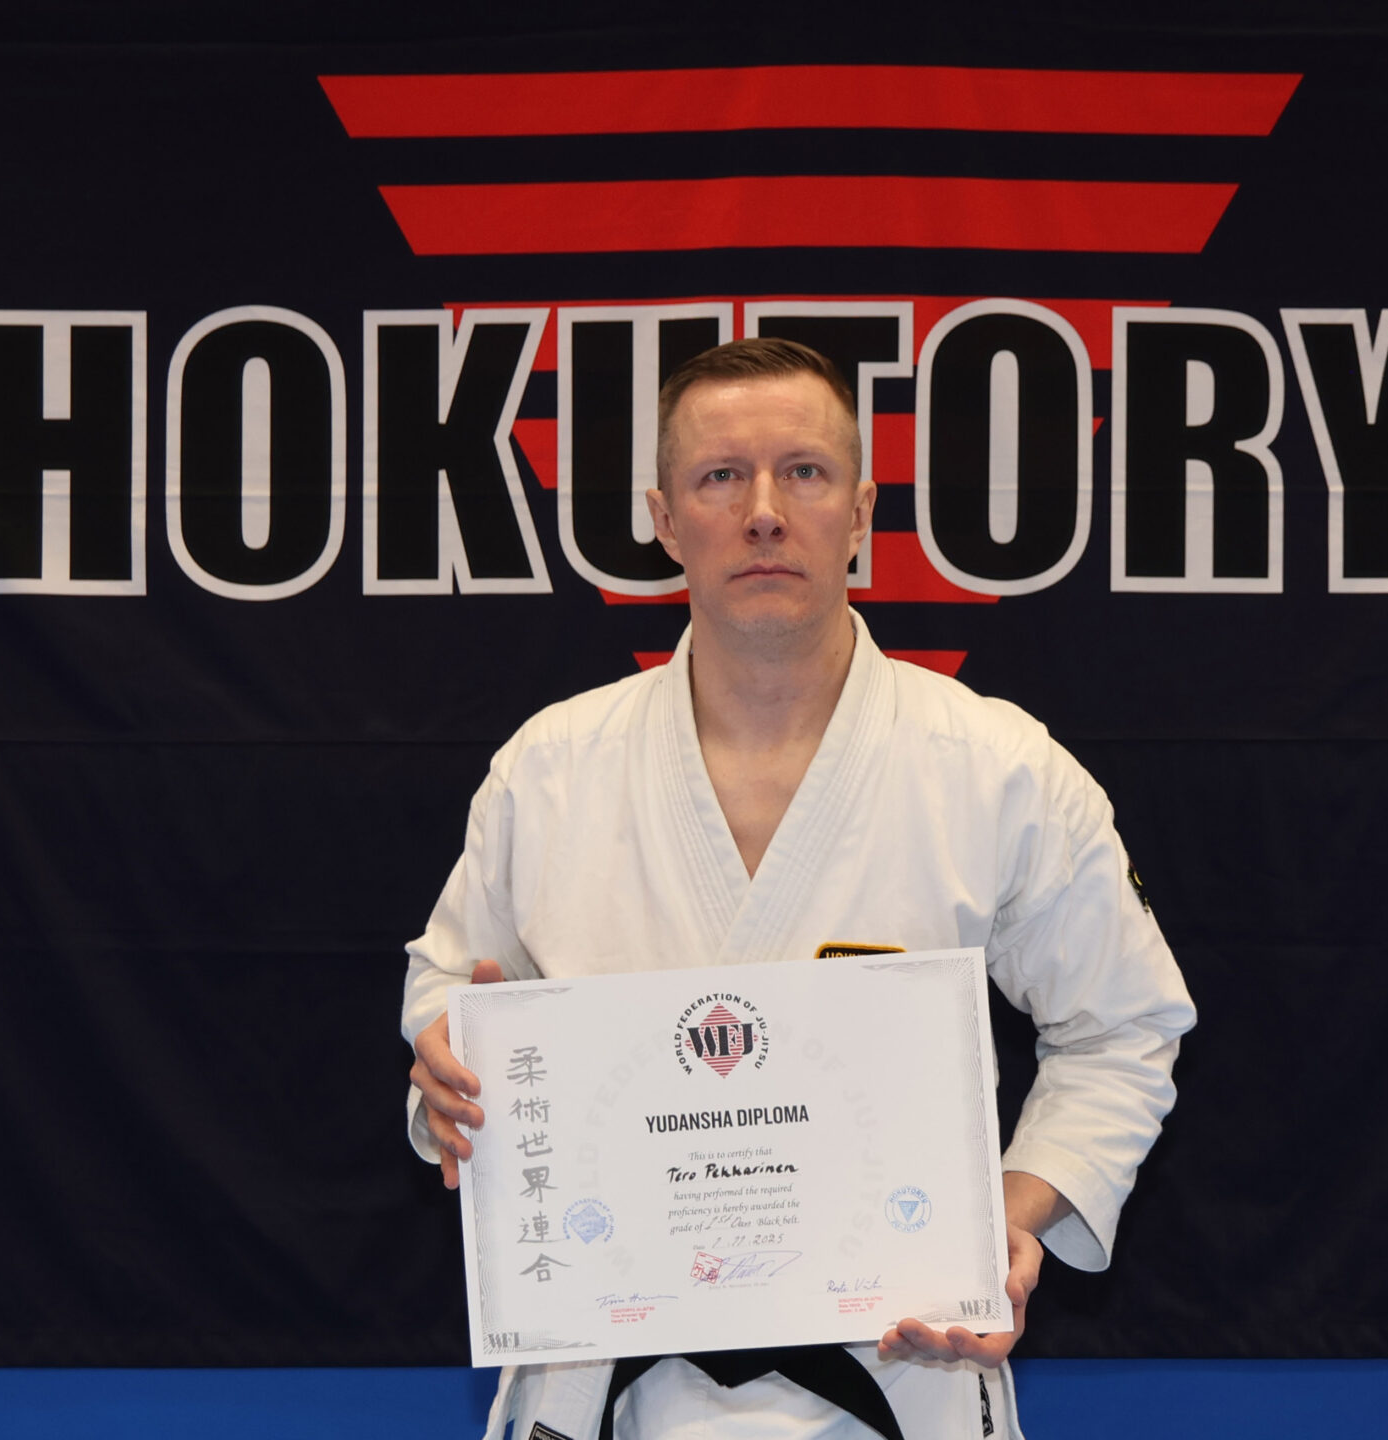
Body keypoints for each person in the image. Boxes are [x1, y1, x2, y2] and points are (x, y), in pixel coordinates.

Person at [402, 337, 1195, 1440]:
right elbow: (452, 995)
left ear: (862, 512)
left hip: (903, 1369)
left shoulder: (997, 767)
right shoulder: (551, 771)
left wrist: (1008, 1219)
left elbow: (1124, 1026)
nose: (765, 513)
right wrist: (448, 1077)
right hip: (602, 1384)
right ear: (664, 519)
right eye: (720, 477)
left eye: (805, 473)